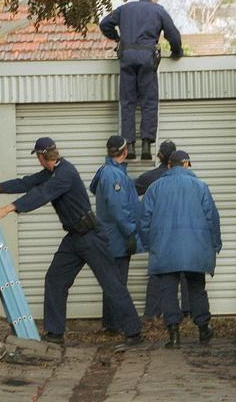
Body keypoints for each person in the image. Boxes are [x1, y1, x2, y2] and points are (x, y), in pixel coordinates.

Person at [0, 137, 142, 349]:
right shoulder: (52, 172)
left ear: (41, 157)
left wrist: (9, 208)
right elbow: (27, 183)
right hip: (74, 237)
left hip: (91, 236)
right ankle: (55, 333)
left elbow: (42, 193)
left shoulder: (65, 173)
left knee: (111, 283)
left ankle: (134, 333)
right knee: (55, 279)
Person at [139, 150, 221, 349]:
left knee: (168, 291)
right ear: (186, 165)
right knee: (196, 289)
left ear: (169, 166)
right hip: (195, 248)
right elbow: (212, 217)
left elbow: (144, 221)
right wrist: (215, 243)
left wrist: (149, 244)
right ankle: (203, 329)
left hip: (165, 248)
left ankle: (174, 335)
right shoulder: (201, 187)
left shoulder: (154, 188)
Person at [99, 0, 183, 161]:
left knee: (128, 102)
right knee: (149, 101)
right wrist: (176, 51)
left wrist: (117, 38)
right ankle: (146, 145)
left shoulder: (124, 9)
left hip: (127, 57)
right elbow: (172, 33)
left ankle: (129, 145)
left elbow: (104, 24)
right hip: (147, 58)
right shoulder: (158, 10)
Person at [89, 135, 142, 333]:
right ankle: (115, 324)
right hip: (117, 237)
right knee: (117, 281)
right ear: (125, 151)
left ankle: (111, 323)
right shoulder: (113, 175)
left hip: (112, 235)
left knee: (113, 280)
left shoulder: (109, 172)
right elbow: (118, 208)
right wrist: (130, 232)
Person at [135, 139, 191, 321]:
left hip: (161, 233)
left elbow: (129, 194)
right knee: (185, 272)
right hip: (184, 232)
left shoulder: (150, 178)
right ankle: (187, 311)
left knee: (158, 273)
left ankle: (152, 312)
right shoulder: (189, 180)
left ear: (159, 156)